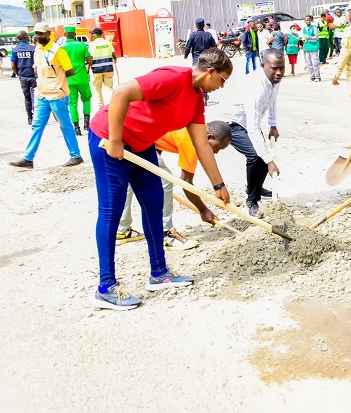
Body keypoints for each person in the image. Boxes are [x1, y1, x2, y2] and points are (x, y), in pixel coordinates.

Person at [87, 48, 231, 310]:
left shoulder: (197, 99)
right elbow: (120, 92)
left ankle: (159, 273)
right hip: (109, 138)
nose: (222, 86)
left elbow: (202, 145)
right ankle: (106, 287)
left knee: (154, 204)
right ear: (211, 72)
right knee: (111, 210)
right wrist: (117, 141)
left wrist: (218, 184)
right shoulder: (173, 78)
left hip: (142, 145)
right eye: (223, 80)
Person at [115, 122, 232, 250]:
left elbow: (159, 138)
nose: (216, 153)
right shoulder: (192, 142)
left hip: (132, 137)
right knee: (165, 179)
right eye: (217, 148)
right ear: (209, 137)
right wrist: (203, 210)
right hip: (133, 139)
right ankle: (166, 233)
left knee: (130, 182)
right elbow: (186, 182)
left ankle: (122, 230)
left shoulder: (197, 130)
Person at [9, 22, 83, 169]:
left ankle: (76, 156)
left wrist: (57, 80)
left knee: (65, 125)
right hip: (42, 94)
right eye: (36, 33)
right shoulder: (37, 49)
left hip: (57, 95)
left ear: (49, 34)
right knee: (37, 126)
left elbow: (70, 71)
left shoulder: (58, 51)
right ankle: (28, 158)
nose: (38, 36)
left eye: (41, 33)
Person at [222, 49, 284, 217]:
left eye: (281, 68)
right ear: (263, 66)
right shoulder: (256, 88)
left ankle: (255, 186)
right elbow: (253, 127)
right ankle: (252, 199)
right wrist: (270, 162)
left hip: (248, 123)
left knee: (264, 153)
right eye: (274, 68)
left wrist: (273, 124)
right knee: (258, 156)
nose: (279, 72)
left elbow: (273, 101)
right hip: (232, 123)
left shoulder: (274, 80)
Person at [61, 26, 93, 136]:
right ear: (75, 35)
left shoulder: (62, 48)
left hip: (69, 80)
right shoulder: (82, 45)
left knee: (72, 103)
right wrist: (87, 70)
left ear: (64, 35)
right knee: (86, 99)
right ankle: (86, 124)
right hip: (82, 79)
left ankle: (76, 128)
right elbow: (90, 61)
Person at [10, 31, 37, 125]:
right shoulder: (33, 48)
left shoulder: (15, 50)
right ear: (26, 37)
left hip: (23, 76)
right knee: (36, 96)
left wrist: (19, 74)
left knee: (27, 97)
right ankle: (37, 116)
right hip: (33, 76)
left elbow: (13, 66)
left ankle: (29, 117)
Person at [88, 28, 116, 108]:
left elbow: (90, 58)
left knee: (98, 89)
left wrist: (88, 70)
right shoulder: (108, 43)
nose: (91, 35)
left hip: (97, 69)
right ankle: (111, 105)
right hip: (108, 68)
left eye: (92, 34)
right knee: (109, 87)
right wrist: (115, 59)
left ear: (96, 35)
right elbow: (113, 54)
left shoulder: (92, 44)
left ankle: (101, 106)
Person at [302, 15, 321, 82]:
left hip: (313, 47)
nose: (308, 21)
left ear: (311, 20)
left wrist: (308, 37)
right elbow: (304, 38)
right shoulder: (304, 29)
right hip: (307, 48)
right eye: (306, 20)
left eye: (309, 20)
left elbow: (316, 37)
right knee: (308, 63)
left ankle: (317, 76)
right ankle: (311, 76)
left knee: (315, 63)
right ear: (305, 21)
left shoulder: (314, 27)